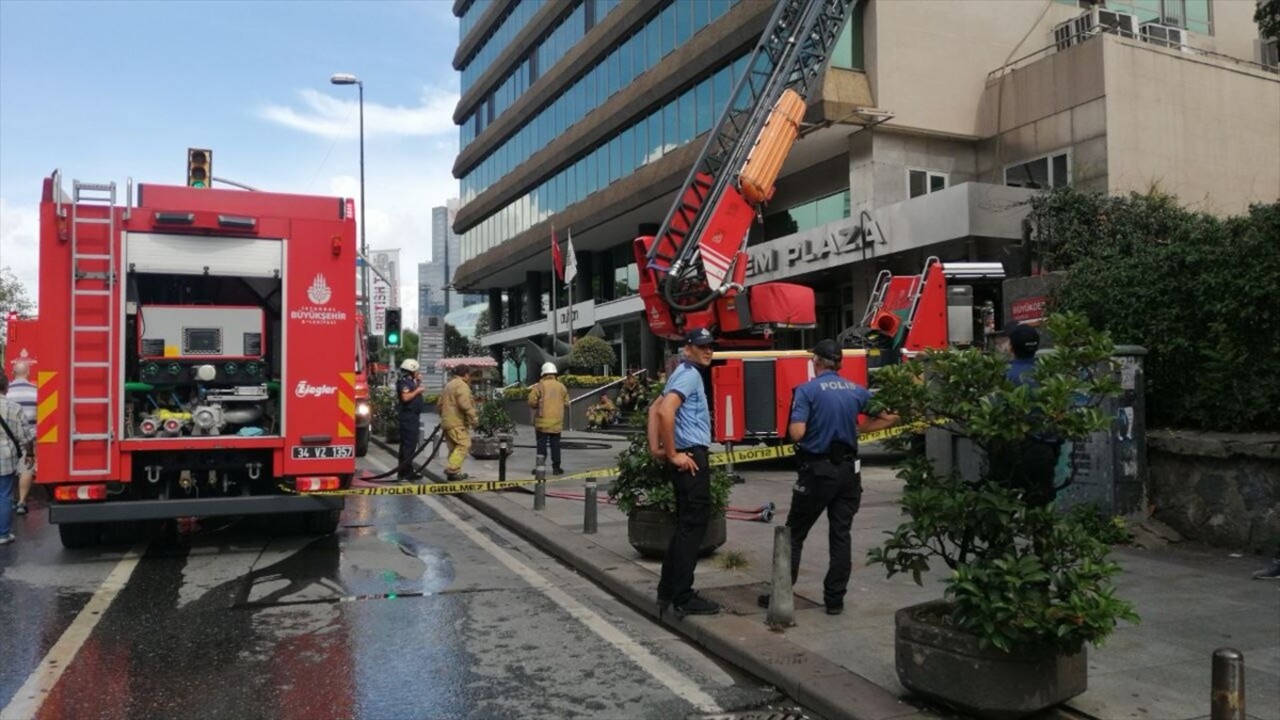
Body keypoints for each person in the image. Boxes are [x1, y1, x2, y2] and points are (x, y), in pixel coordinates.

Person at [758, 339, 898, 615]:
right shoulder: (856, 391)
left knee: (794, 533)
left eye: (813, 359)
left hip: (817, 473)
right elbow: (891, 416)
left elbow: (797, 433)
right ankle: (834, 600)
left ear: (819, 362)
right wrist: (859, 431)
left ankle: (781, 592)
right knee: (841, 535)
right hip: (849, 473)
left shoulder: (807, 391)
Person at [652, 328, 721, 618]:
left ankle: (668, 590)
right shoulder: (690, 374)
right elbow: (666, 411)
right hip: (691, 457)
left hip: (686, 457)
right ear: (688, 348)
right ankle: (681, 595)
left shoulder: (680, 373)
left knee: (685, 528)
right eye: (702, 346)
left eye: (710, 346)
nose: (708, 351)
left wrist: (656, 448)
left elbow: (654, 408)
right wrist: (671, 454)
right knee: (692, 527)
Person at [990, 323, 1061, 506]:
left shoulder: (1004, 374)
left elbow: (993, 411)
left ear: (1011, 346)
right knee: (1039, 506)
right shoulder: (1049, 374)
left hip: (1012, 450)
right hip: (1044, 450)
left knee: (1004, 505)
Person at [0, 374, 35, 545]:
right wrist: (30, 454)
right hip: (5, 457)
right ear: (6, 387)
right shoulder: (14, 408)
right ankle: (3, 534)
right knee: (4, 495)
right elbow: (25, 436)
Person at [528, 362, 569, 475]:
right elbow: (566, 403)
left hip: (542, 423)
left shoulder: (539, 386)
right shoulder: (561, 386)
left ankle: (540, 467)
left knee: (541, 444)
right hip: (556, 423)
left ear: (543, 374)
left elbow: (531, 401)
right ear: (555, 373)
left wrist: (537, 405)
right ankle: (556, 468)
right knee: (555, 445)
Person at [439, 364, 477, 481]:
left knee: (453, 448)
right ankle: (452, 468)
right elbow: (464, 403)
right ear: (466, 374)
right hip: (457, 422)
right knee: (464, 445)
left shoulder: (448, 385)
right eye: (469, 375)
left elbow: (439, 404)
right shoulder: (461, 385)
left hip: (447, 422)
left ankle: (454, 474)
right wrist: (474, 417)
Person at [6, 362, 36, 515]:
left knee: (8, 468)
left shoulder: (6, 392)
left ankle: (10, 498)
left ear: (12, 373)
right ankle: (21, 501)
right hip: (29, 438)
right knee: (26, 468)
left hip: (7, 437)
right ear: (28, 373)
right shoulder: (36, 392)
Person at [395, 359, 427, 481]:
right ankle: (406, 471)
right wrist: (418, 390)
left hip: (412, 416)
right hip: (408, 417)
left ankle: (404, 470)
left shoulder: (410, 382)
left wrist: (418, 383)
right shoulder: (404, 382)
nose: (417, 372)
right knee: (409, 445)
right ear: (411, 370)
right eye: (416, 370)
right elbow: (406, 397)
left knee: (409, 445)